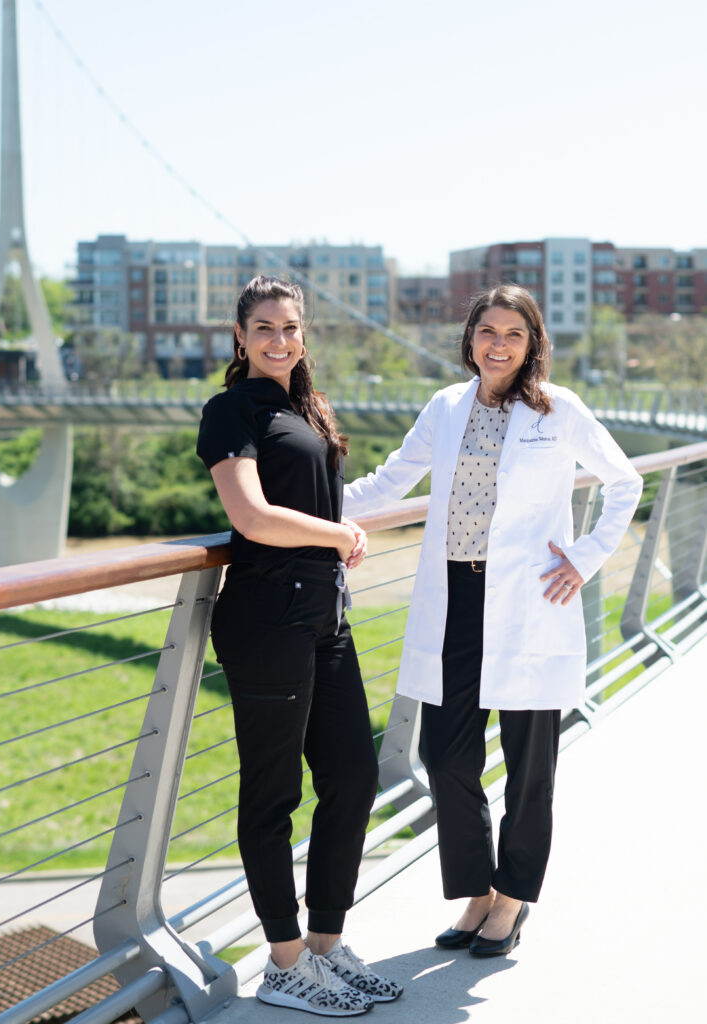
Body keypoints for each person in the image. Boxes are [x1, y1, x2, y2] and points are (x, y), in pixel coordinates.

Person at [343, 284, 642, 957]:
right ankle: (475, 892)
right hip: (454, 600)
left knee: (528, 766)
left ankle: (510, 901)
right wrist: (314, 508)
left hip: (532, 604)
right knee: (444, 756)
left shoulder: (557, 410)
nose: (497, 344)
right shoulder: (445, 407)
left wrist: (586, 558)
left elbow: (623, 482)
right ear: (469, 338)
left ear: (532, 341)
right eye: (486, 331)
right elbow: (390, 480)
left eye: (512, 333)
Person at [197, 275, 402, 1015]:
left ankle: (324, 945)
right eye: (263, 328)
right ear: (240, 337)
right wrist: (340, 533)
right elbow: (250, 516)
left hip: (324, 616)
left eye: (289, 327)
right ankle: (283, 963)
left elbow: (314, 499)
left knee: (351, 776)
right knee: (274, 791)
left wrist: (337, 534)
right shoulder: (230, 410)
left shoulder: (305, 408)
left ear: (302, 334)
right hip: (265, 619)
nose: (278, 340)